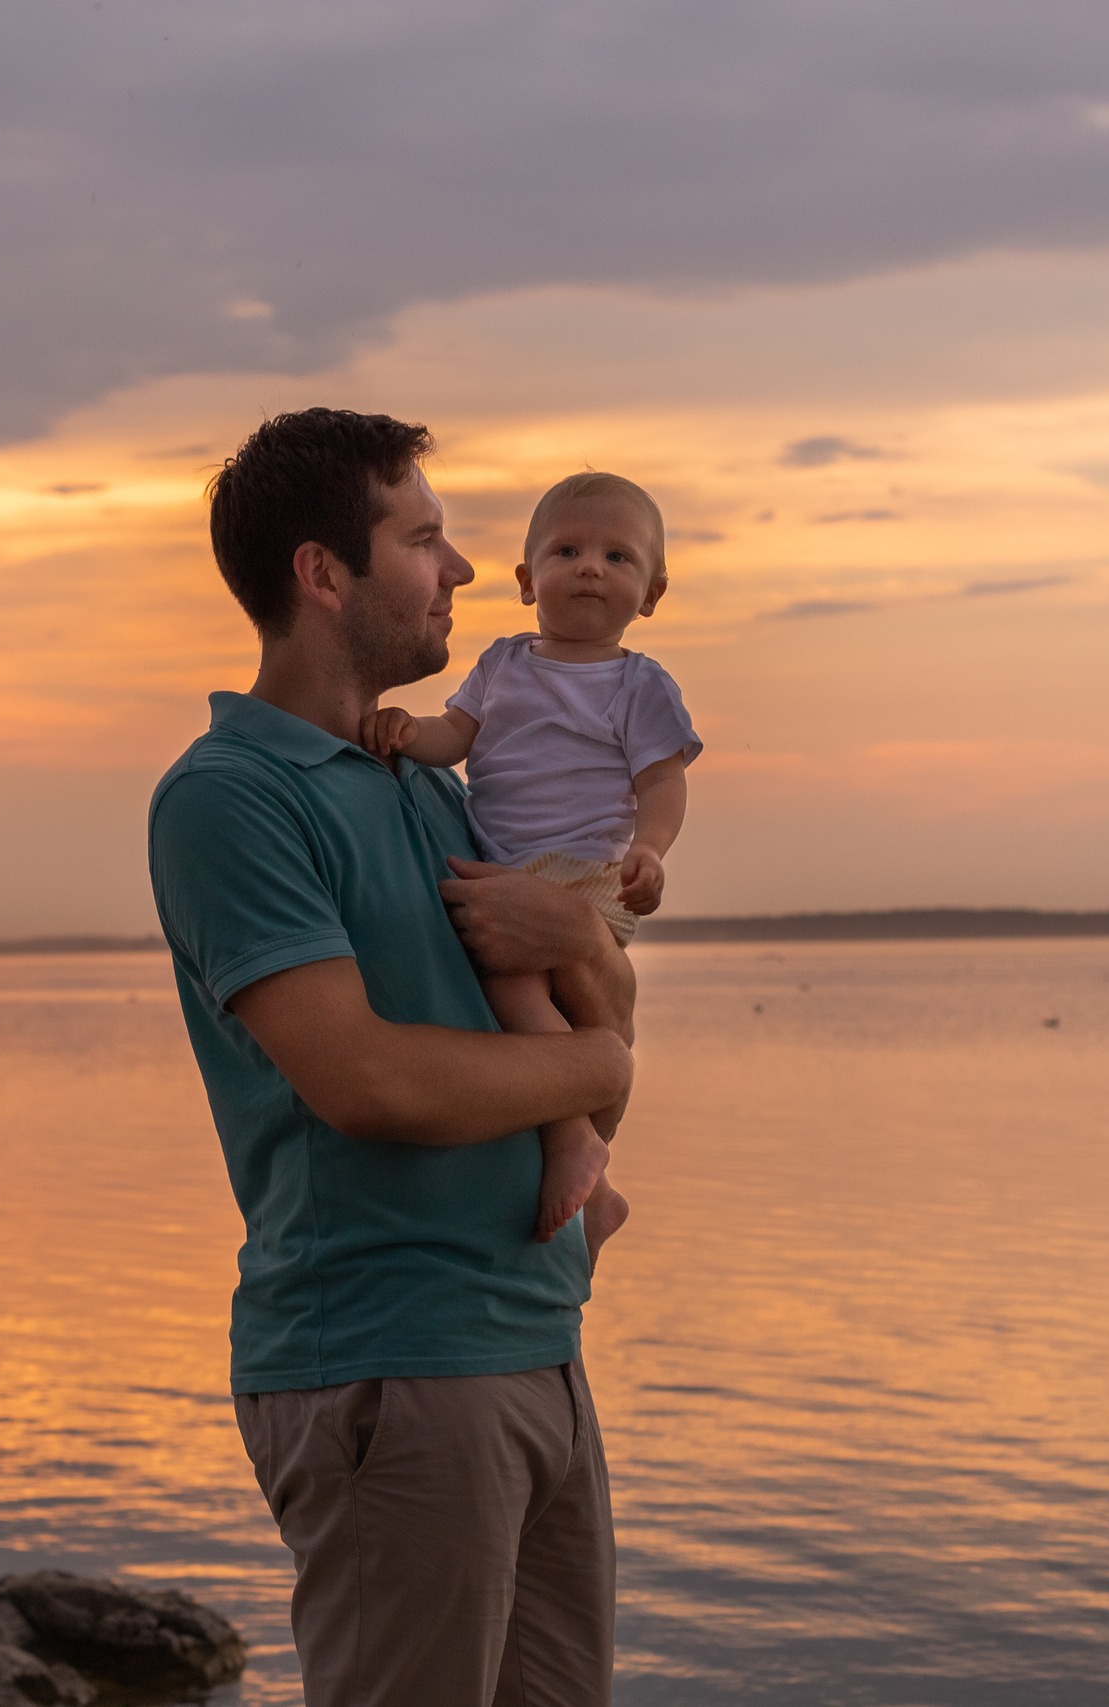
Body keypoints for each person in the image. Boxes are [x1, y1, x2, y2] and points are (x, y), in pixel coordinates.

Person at [148, 408, 633, 1705]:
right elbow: (373, 1080)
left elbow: (594, 997)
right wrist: (600, 1067)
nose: (467, 571)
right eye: (424, 538)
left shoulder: (429, 785)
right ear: (323, 572)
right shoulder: (233, 794)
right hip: (391, 1362)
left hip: (539, 1344)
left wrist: (584, 943)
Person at [359, 472, 699, 1260]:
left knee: (509, 979)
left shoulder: (637, 684)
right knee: (516, 988)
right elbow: (456, 736)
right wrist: (407, 733)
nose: (590, 567)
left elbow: (662, 782)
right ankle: (593, 1173)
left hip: (581, 873)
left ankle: (574, 1137)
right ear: (524, 580)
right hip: (507, 867)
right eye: (568, 550)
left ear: (649, 594)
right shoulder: (505, 664)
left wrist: (649, 849)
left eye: (618, 557)